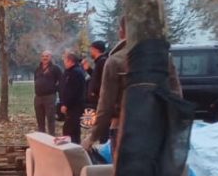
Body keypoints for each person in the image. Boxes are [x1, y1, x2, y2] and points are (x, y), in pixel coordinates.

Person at [83, 18, 181, 157]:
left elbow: (106, 105)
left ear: (122, 32)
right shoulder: (164, 57)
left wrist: (92, 137)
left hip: (124, 129)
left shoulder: (115, 61)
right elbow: (176, 95)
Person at [57, 52, 87, 144]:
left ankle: (72, 147)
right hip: (71, 106)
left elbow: (73, 91)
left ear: (70, 61)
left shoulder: (75, 73)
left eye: (65, 61)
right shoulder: (69, 72)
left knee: (69, 130)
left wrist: (66, 104)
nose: (64, 63)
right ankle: (74, 145)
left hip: (74, 106)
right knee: (71, 128)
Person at [33, 50, 62, 135]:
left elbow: (61, 81)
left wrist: (54, 89)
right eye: (43, 56)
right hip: (38, 97)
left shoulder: (55, 68)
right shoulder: (37, 69)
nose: (44, 58)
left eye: (47, 56)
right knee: (40, 119)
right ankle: (42, 138)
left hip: (50, 97)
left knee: (50, 119)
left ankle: (51, 137)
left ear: (50, 57)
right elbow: (35, 80)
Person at [85, 40, 108, 110]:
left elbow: (103, 79)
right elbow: (97, 77)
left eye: (91, 49)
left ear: (96, 50)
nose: (90, 51)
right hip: (94, 100)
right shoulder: (99, 62)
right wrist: (88, 69)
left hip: (97, 100)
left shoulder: (102, 62)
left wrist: (95, 92)